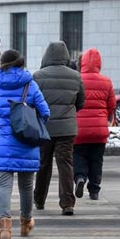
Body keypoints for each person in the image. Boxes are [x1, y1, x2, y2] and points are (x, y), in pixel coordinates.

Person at [0, 50, 50, 239]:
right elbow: (45, 112)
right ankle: (26, 222)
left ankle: (5, 229)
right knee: (26, 186)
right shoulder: (30, 84)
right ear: (21, 63)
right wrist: (32, 125)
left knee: (3, 185)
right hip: (27, 141)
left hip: (1, 142)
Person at [33, 41, 85, 216]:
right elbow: (81, 102)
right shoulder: (75, 76)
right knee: (65, 164)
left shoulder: (38, 76)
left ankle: (39, 199)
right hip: (67, 128)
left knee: (43, 163)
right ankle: (67, 203)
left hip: (44, 127)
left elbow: (32, 102)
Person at [73, 48, 116, 200]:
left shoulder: (76, 79)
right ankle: (94, 190)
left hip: (79, 128)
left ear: (82, 62)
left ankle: (80, 178)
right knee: (96, 160)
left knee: (78, 156)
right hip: (99, 129)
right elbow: (111, 105)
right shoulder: (106, 81)